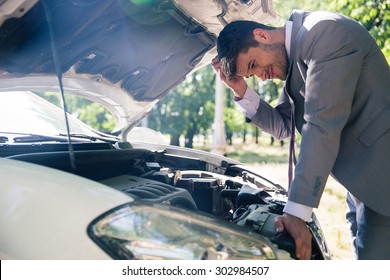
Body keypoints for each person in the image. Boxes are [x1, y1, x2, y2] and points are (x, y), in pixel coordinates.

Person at [212, 9, 390, 260]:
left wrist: (296, 212)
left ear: (261, 35)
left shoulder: (324, 33)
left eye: (254, 65)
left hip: (382, 176)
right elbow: (285, 126)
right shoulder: (295, 57)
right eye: (253, 75)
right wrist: (241, 90)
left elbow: (321, 124)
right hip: (359, 182)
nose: (262, 78)